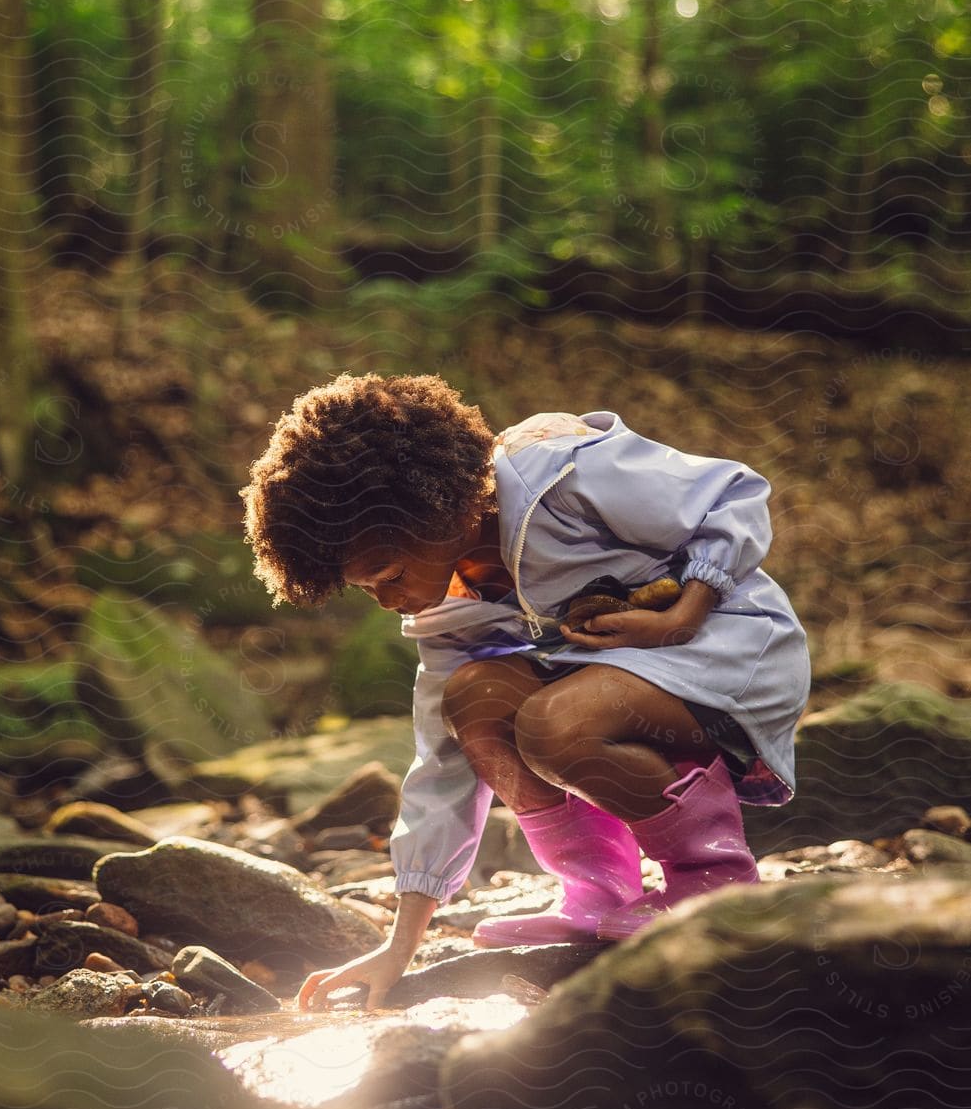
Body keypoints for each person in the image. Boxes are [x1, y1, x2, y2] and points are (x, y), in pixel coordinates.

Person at [240, 371, 811, 1012]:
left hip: (730, 652)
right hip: (618, 679)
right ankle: (598, 893)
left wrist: (685, 612)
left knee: (553, 726)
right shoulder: (447, 610)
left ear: (437, 510)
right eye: (365, 590)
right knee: (473, 698)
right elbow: (443, 763)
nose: (388, 601)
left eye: (390, 575)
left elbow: (733, 493)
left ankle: (711, 880)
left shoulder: (560, 475)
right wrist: (399, 945)